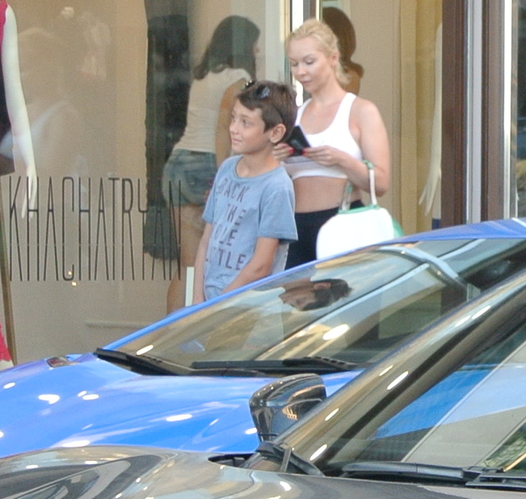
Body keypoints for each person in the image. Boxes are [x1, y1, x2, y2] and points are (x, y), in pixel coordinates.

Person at [283, 18, 392, 268]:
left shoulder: (360, 111)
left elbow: (382, 182)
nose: (301, 72)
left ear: (333, 57)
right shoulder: (295, 115)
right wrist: (277, 159)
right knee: (295, 304)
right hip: (295, 228)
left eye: (309, 62)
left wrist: (341, 160)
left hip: (343, 221)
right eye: (294, 64)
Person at [166, 16, 260, 281]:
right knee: (211, 265)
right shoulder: (240, 78)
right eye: (254, 44)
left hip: (178, 161)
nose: (258, 50)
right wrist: (225, 176)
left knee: (187, 267)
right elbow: (223, 128)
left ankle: (176, 323)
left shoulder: (204, 74)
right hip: (207, 163)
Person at [191, 82, 301, 304]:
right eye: (233, 118)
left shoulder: (276, 186)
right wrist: (197, 301)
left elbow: (261, 265)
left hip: (248, 312)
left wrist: (219, 306)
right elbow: (206, 240)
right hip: (210, 307)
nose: (233, 128)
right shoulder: (226, 169)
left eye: (246, 123)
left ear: (275, 132)